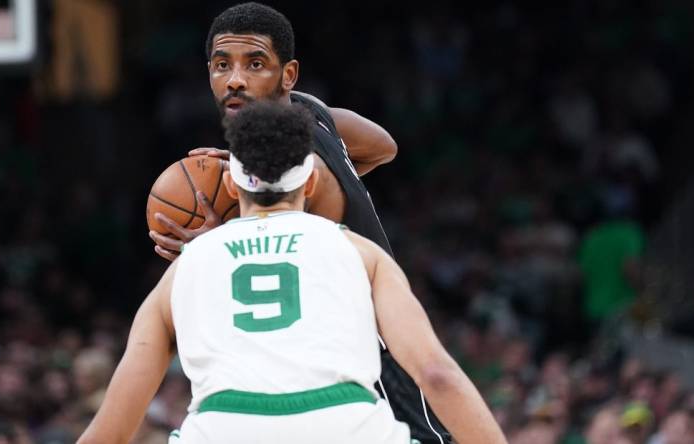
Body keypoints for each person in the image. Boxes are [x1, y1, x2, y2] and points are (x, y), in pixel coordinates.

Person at [80, 102, 505, 444]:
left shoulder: (183, 270)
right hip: (346, 424)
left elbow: (111, 430)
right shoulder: (362, 253)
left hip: (223, 427)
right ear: (312, 183)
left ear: (232, 185)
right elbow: (436, 374)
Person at [147, 3, 452, 442]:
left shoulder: (305, 171)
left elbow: (290, 273)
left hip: (376, 366)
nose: (235, 79)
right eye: (221, 65)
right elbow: (384, 146)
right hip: (331, 369)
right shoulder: (309, 113)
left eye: (255, 65)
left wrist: (225, 237)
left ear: (287, 75)